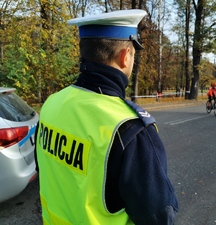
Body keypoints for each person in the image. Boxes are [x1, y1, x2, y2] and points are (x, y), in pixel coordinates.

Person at [34, 9, 178, 225]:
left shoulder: (52, 104)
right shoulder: (131, 129)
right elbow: (160, 217)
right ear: (124, 56)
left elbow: (46, 169)